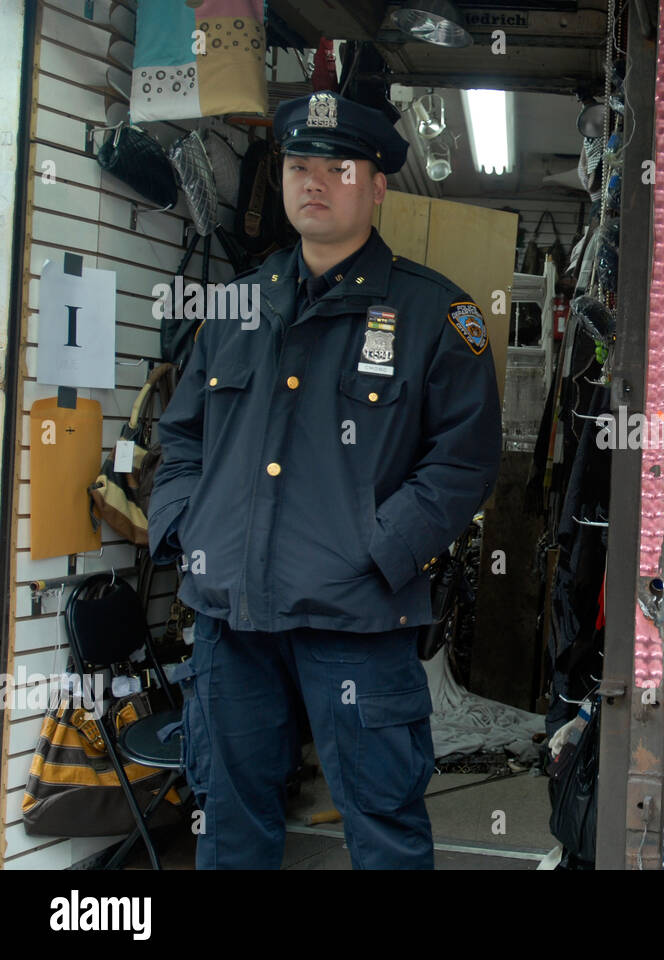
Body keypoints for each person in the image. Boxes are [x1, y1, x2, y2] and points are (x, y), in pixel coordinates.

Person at [147, 91, 502, 869]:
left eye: (337, 168)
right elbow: (180, 441)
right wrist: (185, 532)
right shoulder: (235, 308)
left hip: (357, 620)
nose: (314, 181)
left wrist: (380, 552)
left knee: (381, 824)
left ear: (377, 186)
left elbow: (465, 463)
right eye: (299, 165)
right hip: (231, 617)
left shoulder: (434, 315)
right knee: (230, 820)